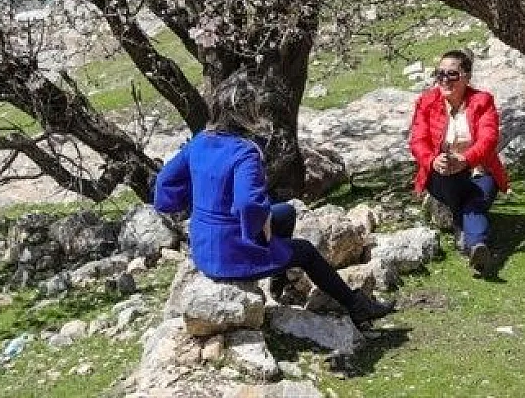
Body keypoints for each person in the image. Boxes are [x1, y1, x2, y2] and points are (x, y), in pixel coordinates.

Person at [154, 77, 394, 328]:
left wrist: (193, 207)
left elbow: (165, 181)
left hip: (203, 248)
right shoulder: (244, 151)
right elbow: (248, 203)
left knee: (286, 212)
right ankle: (356, 306)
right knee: (306, 251)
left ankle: (279, 280)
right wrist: (257, 225)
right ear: (246, 113)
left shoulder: (199, 142)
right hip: (232, 255)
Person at [409, 48, 509, 276]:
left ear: (466, 77)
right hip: (441, 173)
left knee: (474, 199)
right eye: (440, 73)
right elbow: (418, 140)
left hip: (478, 169)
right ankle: (473, 240)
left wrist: (465, 159)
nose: (444, 79)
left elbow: (489, 139)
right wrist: (433, 160)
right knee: (462, 193)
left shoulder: (482, 101)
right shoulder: (427, 102)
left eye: (452, 74)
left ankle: (473, 243)